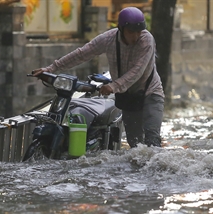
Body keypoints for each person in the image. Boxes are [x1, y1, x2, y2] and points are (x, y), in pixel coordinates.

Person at [32, 7, 164, 148]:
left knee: (152, 139)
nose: (135, 36)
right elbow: (82, 53)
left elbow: (137, 71)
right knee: (135, 145)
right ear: (120, 29)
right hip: (127, 96)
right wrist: (51, 68)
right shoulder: (109, 39)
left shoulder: (147, 40)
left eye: (138, 32)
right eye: (131, 32)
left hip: (150, 92)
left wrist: (113, 86)